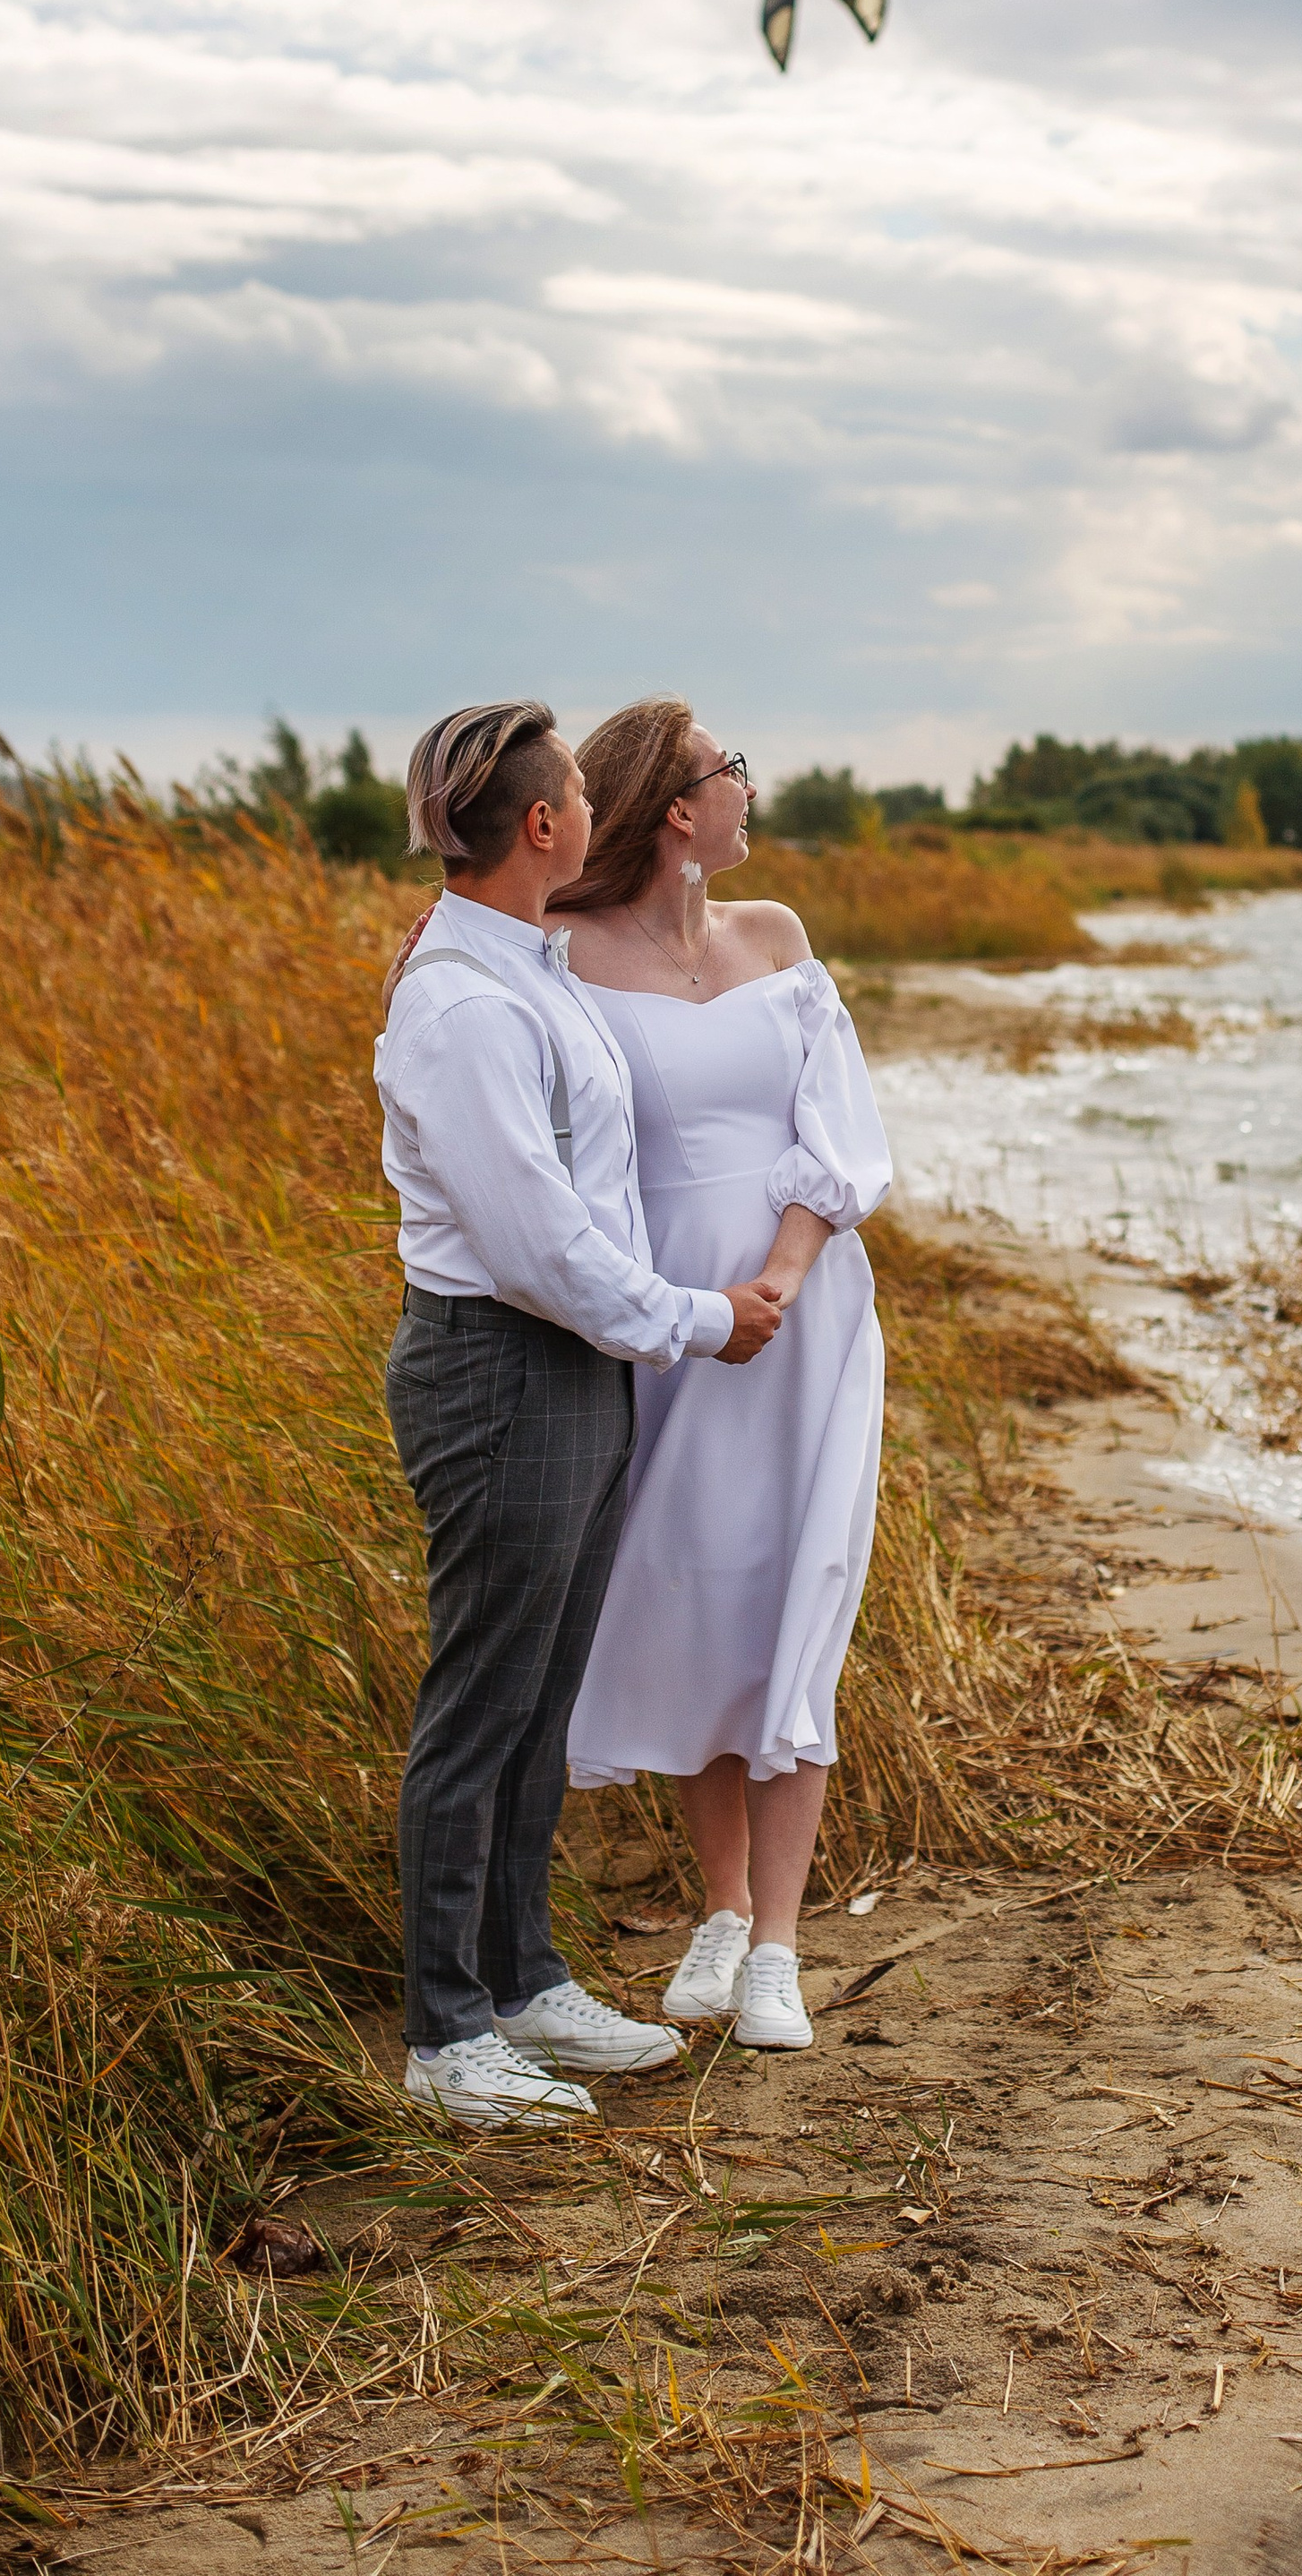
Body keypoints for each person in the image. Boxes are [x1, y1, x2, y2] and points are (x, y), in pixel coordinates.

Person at [373, 700, 785, 2129]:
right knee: (483, 1701)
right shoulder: (467, 1005)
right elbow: (537, 1244)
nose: (595, 822)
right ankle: (446, 2033)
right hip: (502, 1367)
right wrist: (697, 1321)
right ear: (544, 826)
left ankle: (524, 1979)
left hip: (572, 1368)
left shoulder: (531, 972)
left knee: (542, 1698)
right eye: (580, 805)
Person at [552, 701, 892, 2053]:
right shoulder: (564, 955)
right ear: (676, 810)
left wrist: (789, 1275)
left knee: (800, 1594)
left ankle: (780, 1948)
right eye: (731, 769)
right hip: (669, 1322)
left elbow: (842, 1128)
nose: (753, 788)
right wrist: (698, 1310)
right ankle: (722, 1904)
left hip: (804, 1318)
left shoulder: (780, 941)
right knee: (698, 1592)